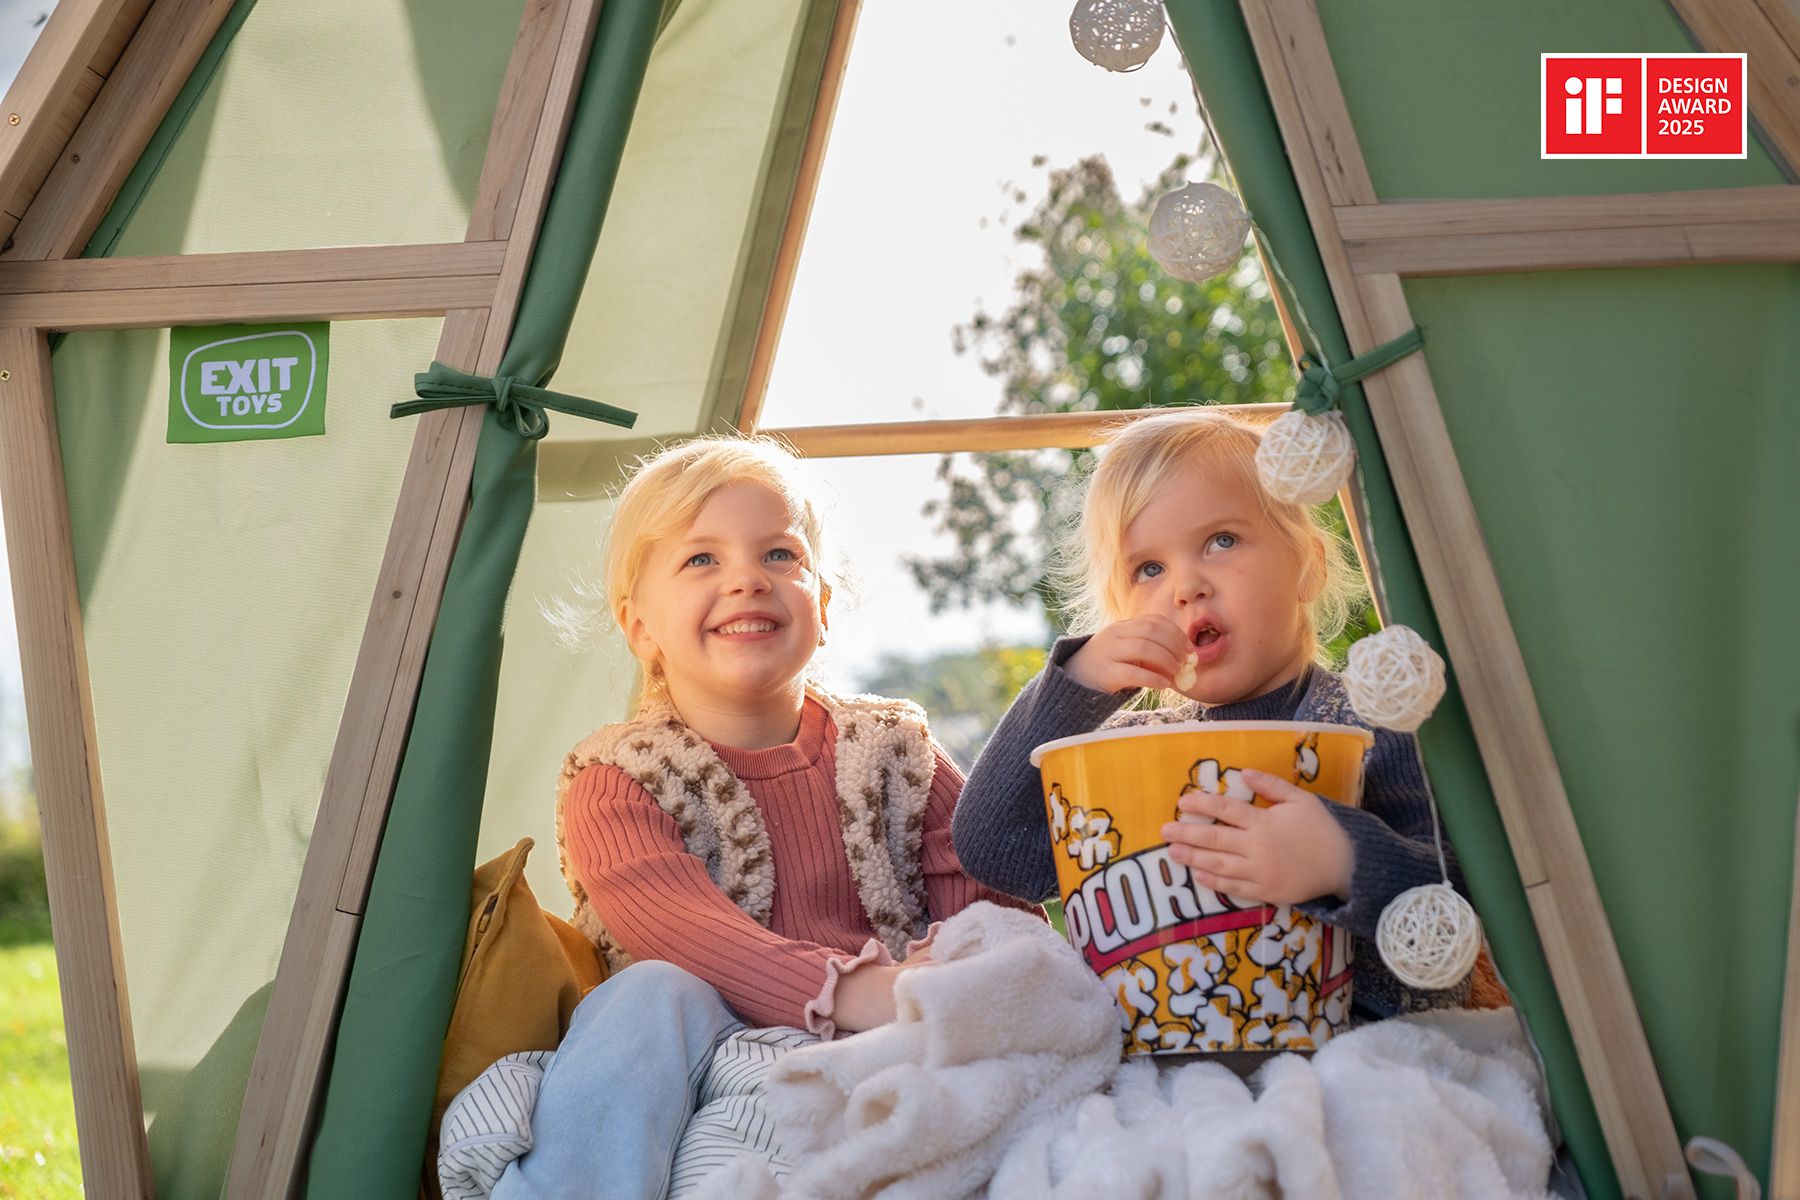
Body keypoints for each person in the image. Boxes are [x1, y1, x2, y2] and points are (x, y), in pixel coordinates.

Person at [493, 435, 1031, 1200]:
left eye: (780, 556)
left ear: (826, 604)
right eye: (700, 560)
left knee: (1010, 981)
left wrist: (954, 982)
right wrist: (856, 990)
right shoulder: (618, 779)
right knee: (646, 994)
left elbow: (981, 895)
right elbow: (694, 940)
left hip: (885, 1050)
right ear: (639, 626)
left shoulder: (894, 750)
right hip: (706, 1060)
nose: (747, 579)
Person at [952, 407, 1472, 1023]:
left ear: (1308, 565)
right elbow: (995, 850)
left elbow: (1462, 900)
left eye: (1221, 541)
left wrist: (1342, 860)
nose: (1186, 586)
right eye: (1149, 568)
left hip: (1356, 1048)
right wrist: (1076, 684)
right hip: (1160, 1057)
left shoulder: (1369, 724)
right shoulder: (1123, 756)